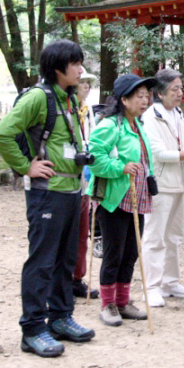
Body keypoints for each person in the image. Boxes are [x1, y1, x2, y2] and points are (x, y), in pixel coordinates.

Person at [0, 40, 95, 358]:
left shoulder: (67, 98)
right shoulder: (38, 97)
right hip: (47, 195)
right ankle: (33, 328)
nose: (80, 69)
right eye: (75, 64)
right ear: (57, 68)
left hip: (71, 191)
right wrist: (26, 167)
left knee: (65, 260)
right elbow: (2, 133)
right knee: (42, 261)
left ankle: (61, 317)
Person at [87, 73, 157, 326]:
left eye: (146, 96)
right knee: (114, 252)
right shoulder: (109, 125)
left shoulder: (138, 125)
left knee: (130, 252)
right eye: (139, 97)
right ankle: (107, 305)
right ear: (124, 99)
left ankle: (123, 301)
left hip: (137, 197)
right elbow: (94, 156)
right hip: (114, 198)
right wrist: (120, 167)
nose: (144, 101)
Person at [140, 69, 184, 307]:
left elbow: (183, 142)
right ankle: (151, 286)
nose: (180, 93)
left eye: (181, 88)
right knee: (155, 236)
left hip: (180, 182)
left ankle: (170, 282)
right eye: (175, 89)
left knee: (174, 236)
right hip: (160, 184)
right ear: (160, 93)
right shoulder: (150, 117)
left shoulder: (178, 112)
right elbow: (158, 154)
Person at [71, 70, 99, 300]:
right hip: (66, 178)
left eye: (88, 83)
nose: (86, 87)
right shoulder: (67, 110)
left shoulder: (87, 111)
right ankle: (63, 279)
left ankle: (77, 278)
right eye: (82, 83)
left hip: (84, 178)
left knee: (83, 232)